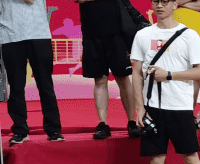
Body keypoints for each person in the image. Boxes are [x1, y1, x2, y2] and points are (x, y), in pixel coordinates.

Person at [131, 0, 200, 164]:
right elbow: (137, 73)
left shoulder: (189, 35)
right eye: (156, 1)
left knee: (191, 157)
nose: (160, 5)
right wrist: (140, 107)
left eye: (165, 1)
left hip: (179, 106)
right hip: (152, 106)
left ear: (174, 4)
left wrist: (169, 75)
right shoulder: (143, 35)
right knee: (156, 158)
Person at [77, 0, 142, 140]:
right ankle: (103, 123)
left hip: (116, 32)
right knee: (100, 79)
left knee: (123, 78)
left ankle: (132, 122)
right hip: (91, 33)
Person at [0, 0, 63, 144]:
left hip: (38, 33)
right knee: (16, 86)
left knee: (45, 84)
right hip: (10, 35)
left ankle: (53, 129)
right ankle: (20, 130)